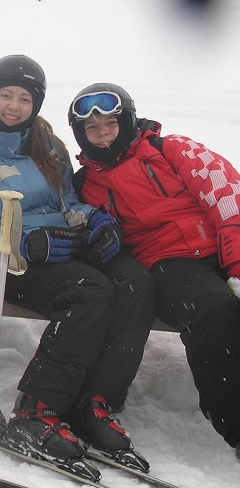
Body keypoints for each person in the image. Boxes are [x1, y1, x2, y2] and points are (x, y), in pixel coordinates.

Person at [0, 56, 154, 475]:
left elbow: (68, 202)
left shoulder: (47, 146)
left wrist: (96, 221)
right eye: (6, 95)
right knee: (89, 291)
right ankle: (37, 409)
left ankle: (94, 400)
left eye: (25, 98)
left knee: (135, 281)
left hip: (63, 248)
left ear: (36, 103)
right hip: (13, 264)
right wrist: (22, 245)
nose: (14, 106)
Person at [69, 82, 240, 460]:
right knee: (213, 311)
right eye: (91, 129)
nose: (102, 135)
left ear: (127, 121)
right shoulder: (85, 184)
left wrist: (236, 261)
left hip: (219, 243)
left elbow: (226, 193)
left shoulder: (171, 149)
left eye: (110, 124)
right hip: (168, 262)